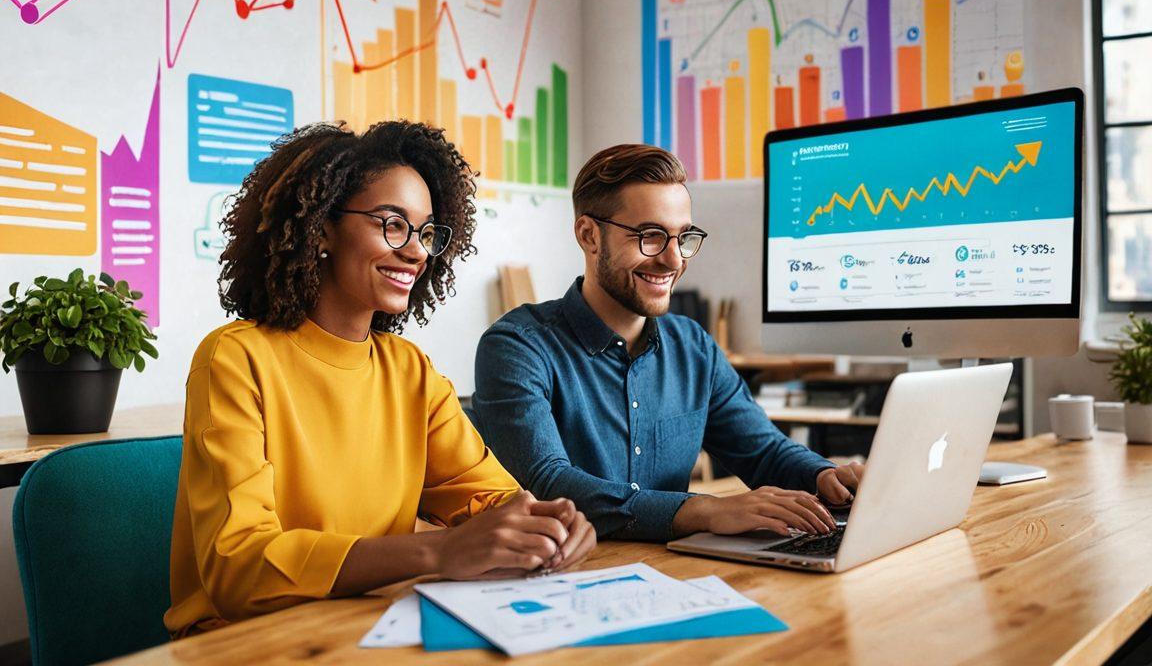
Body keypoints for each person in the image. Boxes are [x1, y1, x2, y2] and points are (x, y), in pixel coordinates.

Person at [165, 121, 595, 637]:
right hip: (238, 639)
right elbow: (239, 567)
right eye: (392, 224)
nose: (416, 251)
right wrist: (437, 550)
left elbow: (488, 496)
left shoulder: (410, 371)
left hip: (365, 622)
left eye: (427, 233)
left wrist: (546, 527)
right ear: (322, 227)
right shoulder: (235, 358)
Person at [472, 143, 863, 542]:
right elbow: (548, 483)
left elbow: (763, 452)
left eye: (683, 237)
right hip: (563, 570)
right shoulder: (517, 347)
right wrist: (704, 509)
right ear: (589, 235)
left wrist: (826, 476)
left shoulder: (694, 348)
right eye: (650, 236)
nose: (674, 260)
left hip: (671, 569)